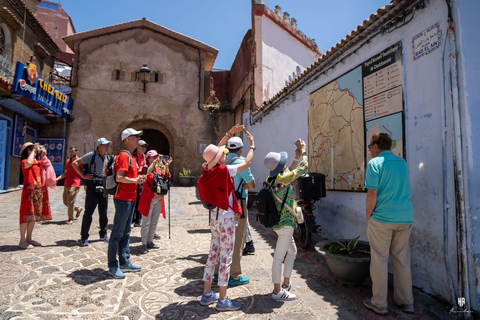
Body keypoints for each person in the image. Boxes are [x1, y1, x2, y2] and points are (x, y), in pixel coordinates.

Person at [197, 124, 255, 311]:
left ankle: (207, 294)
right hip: (227, 218)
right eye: (222, 153)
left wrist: (229, 133)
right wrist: (252, 147)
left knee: (212, 256)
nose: (225, 154)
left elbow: (216, 150)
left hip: (213, 218)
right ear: (218, 158)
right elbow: (246, 164)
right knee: (226, 258)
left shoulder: (207, 169)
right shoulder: (224, 170)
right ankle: (223, 299)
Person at [362, 133, 415, 316]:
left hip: (383, 219)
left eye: (370, 147)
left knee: (379, 260)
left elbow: (373, 192)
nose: (370, 150)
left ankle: (379, 304)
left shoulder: (374, 164)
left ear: (376, 146)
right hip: (405, 217)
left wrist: (369, 213)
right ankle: (406, 302)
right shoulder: (402, 163)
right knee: (402, 260)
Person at [263, 138, 308, 301]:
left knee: (292, 252)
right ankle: (277, 292)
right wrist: (303, 151)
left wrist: (296, 157)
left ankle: (286, 283)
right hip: (286, 224)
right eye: (283, 162)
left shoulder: (273, 179)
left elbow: (290, 170)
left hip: (278, 223)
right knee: (279, 257)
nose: (285, 164)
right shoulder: (283, 178)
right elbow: (302, 169)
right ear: (280, 167)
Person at [214, 136, 256, 286]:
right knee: (237, 239)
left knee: (220, 238)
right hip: (237, 204)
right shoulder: (240, 163)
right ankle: (234, 275)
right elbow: (252, 185)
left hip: (221, 203)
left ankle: (218, 272)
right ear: (240, 149)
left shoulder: (221, 160)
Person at [108, 128, 146, 279]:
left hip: (130, 198)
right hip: (123, 198)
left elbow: (128, 177)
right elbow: (119, 177)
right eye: (135, 136)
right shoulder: (124, 156)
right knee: (117, 233)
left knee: (126, 233)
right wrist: (135, 180)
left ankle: (124, 262)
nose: (138, 139)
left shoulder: (132, 157)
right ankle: (113, 266)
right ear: (127, 139)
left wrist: (138, 179)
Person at [72, 138, 112, 246]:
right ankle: (84, 237)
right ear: (99, 146)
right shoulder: (91, 155)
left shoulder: (107, 157)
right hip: (93, 185)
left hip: (103, 187)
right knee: (89, 212)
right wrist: (83, 176)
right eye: (105, 145)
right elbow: (75, 163)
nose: (107, 147)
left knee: (103, 212)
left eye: (108, 145)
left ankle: (103, 234)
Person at [18, 142, 52, 249]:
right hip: (28, 192)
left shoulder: (38, 162)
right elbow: (28, 163)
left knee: (33, 217)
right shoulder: (25, 161)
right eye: (30, 148)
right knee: (25, 216)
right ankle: (22, 241)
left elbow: (48, 166)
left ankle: (29, 238)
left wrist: (43, 154)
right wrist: (33, 151)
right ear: (26, 151)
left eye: (33, 148)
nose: (34, 150)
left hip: (38, 192)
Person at [137, 150, 172, 254]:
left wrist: (166, 166)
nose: (156, 158)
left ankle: (149, 241)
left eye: (157, 156)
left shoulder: (159, 168)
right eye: (153, 157)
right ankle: (143, 243)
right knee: (146, 222)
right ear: (148, 158)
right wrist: (153, 163)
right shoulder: (145, 168)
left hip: (159, 198)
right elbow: (146, 175)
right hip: (148, 198)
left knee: (154, 221)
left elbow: (167, 178)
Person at [56, 146, 83, 224]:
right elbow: (65, 173)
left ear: (76, 152)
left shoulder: (80, 161)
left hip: (76, 183)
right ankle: (78, 208)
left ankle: (71, 218)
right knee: (65, 201)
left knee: (70, 201)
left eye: (72, 152)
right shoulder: (68, 161)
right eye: (70, 152)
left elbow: (84, 171)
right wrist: (57, 179)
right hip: (67, 183)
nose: (71, 153)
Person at [133, 140, 148, 227]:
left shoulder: (145, 157)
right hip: (135, 181)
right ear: (137, 147)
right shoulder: (134, 156)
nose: (143, 148)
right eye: (142, 146)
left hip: (142, 182)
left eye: (145, 147)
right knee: (134, 200)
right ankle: (132, 220)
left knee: (140, 201)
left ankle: (138, 220)